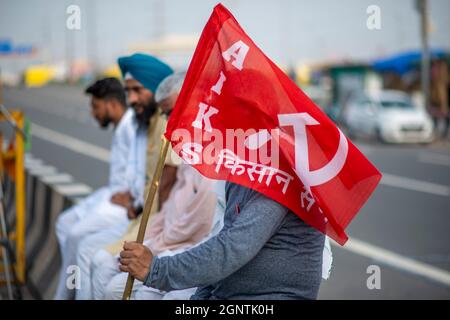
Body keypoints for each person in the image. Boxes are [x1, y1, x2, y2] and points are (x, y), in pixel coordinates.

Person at [119, 77, 327, 300]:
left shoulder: (282, 173)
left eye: (225, 111)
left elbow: (234, 247)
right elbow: (224, 242)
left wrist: (156, 270)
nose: (215, 120)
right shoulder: (243, 167)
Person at [73, 54, 179, 299]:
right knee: (90, 251)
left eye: (137, 91)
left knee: (99, 260)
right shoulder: (147, 123)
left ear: (156, 88)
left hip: (159, 225)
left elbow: (166, 188)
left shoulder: (166, 124)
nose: (130, 99)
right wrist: (138, 203)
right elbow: (147, 181)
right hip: (142, 217)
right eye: (128, 91)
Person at [54, 77, 135, 299]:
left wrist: (134, 198)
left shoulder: (130, 126)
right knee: (64, 224)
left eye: (95, 106)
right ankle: (71, 283)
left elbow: (146, 168)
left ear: (112, 104)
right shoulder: (123, 125)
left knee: (77, 236)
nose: (93, 113)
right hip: (111, 194)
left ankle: (67, 295)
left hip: (124, 203)